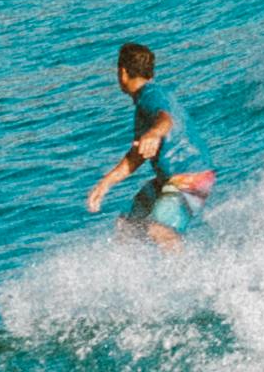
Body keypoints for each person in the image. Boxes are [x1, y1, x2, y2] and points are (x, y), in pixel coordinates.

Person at [87, 41, 215, 239]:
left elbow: (165, 119)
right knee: (128, 225)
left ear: (122, 73)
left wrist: (154, 133)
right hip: (168, 180)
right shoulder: (146, 100)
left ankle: (182, 270)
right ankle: (130, 269)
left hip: (192, 177)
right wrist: (105, 183)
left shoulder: (151, 96)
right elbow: (136, 157)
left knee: (160, 229)